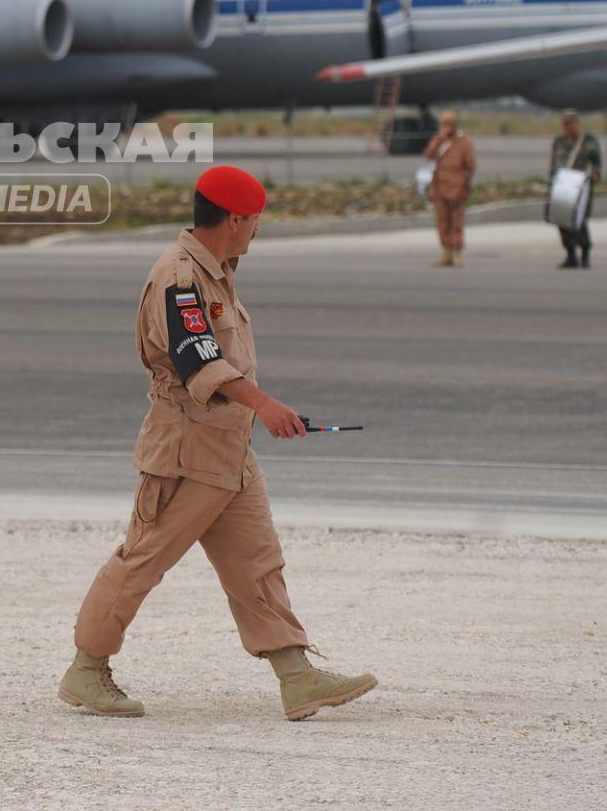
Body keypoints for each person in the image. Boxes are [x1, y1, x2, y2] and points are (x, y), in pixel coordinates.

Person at [62, 165, 377, 722]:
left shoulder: (217, 272)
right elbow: (197, 360)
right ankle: (87, 671)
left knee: (257, 563)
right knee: (141, 561)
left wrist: (254, 414)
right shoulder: (180, 278)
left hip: (230, 450)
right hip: (186, 449)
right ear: (234, 219)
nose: (257, 230)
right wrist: (267, 405)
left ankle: (296, 676)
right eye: (255, 221)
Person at [421, 110, 477, 268]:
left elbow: (471, 166)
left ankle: (457, 253)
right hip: (439, 187)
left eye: (448, 124)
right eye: (443, 124)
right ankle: (446, 252)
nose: (446, 127)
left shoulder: (464, 142)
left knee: (456, 222)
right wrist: (439, 139)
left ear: (455, 125)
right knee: (442, 222)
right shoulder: (440, 140)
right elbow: (428, 155)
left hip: (456, 187)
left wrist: (466, 186)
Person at [549, 110, 603, 269]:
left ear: (577, 123)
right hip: (562, 186)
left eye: (570, 123)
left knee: (579, 221)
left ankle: (585, 254)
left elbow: (597, 163)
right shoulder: (558, 142)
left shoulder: (588, 141)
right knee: (562, 220)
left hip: (581, 187)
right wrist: (552, 182)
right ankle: (571, 255)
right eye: (565, 124)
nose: (568, 127)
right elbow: (553, 164)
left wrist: (596, 175)